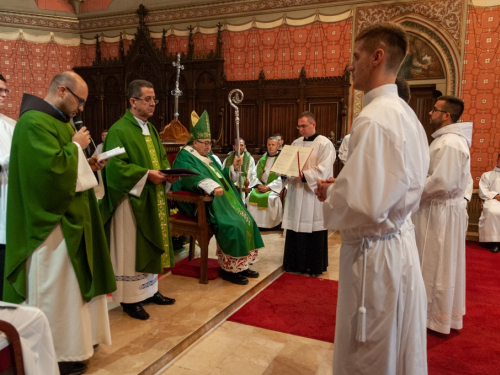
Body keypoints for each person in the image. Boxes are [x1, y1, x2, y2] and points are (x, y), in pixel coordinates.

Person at [315, 22, 429, 374]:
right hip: (397, 243)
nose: (351, 64)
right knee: (394, 345)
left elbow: (364, 206)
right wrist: (348, 184)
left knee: (367, 353)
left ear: (377, 57)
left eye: (356, 55)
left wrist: (330, 192)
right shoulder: (406, 114)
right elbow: (388, 186)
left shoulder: (375, 118)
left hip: (374, 254)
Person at [3, 71, 117, 375]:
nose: (80, 109)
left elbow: (65, 166)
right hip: (50, 227)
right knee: (57, 287)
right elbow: (46, 174)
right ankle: (57, 353)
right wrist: (76, 148)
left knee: (75, 287)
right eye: (79, 101)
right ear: (62, 90)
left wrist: (89, 162)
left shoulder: (60, 121)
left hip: (72, 217)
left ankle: (79, 343)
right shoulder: (32, 122)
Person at [100, 80, 178, 321]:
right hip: (130, 202)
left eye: (154, 99)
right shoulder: (119, 130)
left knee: (151, 240)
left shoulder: (151, 129)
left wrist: (168, 174)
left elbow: (161, 159)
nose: (153, 103)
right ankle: (129, 299)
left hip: (152, 196)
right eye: (148, 99)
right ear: (133, 102)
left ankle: (150, 290)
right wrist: (146, 175)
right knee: (131, 247)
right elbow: (113, 168)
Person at [172, 110, 264, 285]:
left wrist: (233, 169)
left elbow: (221, 175)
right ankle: (229, 270)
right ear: (195, 142)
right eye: (206, 143)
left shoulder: (206, 156)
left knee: (247, 220)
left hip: (222, 199)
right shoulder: (185, 156)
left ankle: (241, 265)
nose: (209, 147)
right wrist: (210, 186)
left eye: (210, 143)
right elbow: (189, 178)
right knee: (233, 224)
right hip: (202, 201)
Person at [412, 95, 471, 335]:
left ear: (447, 115)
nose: (430, 113)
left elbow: (442, 182)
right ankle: (431, 313)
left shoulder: (450, 143)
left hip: (439, 212)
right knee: (435, 262)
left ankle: (433, 315)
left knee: (435, 263)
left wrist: (411, 187)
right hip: (438, 209)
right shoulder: (447, 141)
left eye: (434, 109)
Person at [282, 111, 335, 277]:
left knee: (313, 226)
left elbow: (324, 168)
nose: (301, 130)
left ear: (313, 124)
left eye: (304, 126)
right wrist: (284, 172)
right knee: (295, 228)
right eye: (299, 126)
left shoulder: (324, 143)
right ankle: (294, 264)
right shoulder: (296, 143)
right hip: (296, 192)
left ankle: (314, 265)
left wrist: (305, 175)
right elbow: (290, 163)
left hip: (312, 193)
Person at [0, 74, 15, 300]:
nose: (3, 95)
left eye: (5, 90)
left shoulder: (11, 124)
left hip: (8, 199)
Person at [247, 136, 283, 228]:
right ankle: (255, 224)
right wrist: (258, 184)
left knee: (271, 198)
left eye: (273, 145)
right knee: (251, 196)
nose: (271, 147)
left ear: (278, 146)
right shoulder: (262, 159)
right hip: (261, 186)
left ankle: (269, 225)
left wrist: (269, 187)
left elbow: (282, 178)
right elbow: (254, 174)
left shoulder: (281, 160)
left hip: (273, 188)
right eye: (269, 145)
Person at [478, 153, 500, 253]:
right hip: (492, 200)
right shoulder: (487, 175)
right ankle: (494, 241)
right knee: (492, 212)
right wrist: (496, 195)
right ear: (497, 160)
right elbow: (483, 191)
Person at [92, 128, 108, 200]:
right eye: (102, 135)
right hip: (100, 167)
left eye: (106, 135)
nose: (104, 137)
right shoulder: (99, 146)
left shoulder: (112, 144)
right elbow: (93, 156)